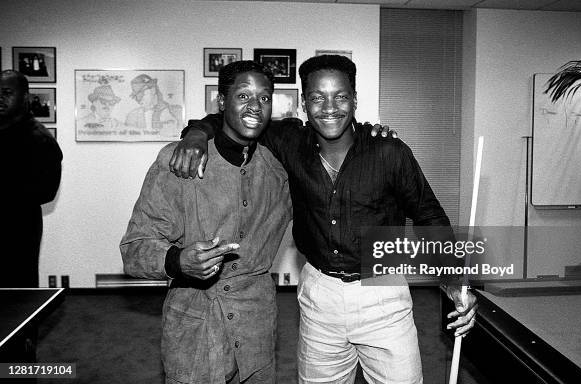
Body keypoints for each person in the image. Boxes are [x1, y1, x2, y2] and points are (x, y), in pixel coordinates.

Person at [171, 55, 477, 384]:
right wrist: (196, 135)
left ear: (355, 99)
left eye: (340, 97)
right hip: (319, 294)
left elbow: (428, 215)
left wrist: (454, 279)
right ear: (303, 103)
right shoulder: (289, 141)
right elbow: (232, 119)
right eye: (317, 98)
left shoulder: (389, 151)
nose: (329, 107)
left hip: (382, 294)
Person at [120, 61, 293, 384]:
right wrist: (178, 260)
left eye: (264, 98)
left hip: (257, 328)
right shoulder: (180, 161)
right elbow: (134, 249)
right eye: (243, 96)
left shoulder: (278, 170)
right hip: (195, 330)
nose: (255, 106)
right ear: (222, 101)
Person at [0, 70, 62, 288]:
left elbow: (46, 190)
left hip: (17, 232)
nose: (0, 98)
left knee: (17, 295)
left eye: (7, 92)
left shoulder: (38, 138)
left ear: (25, 97)